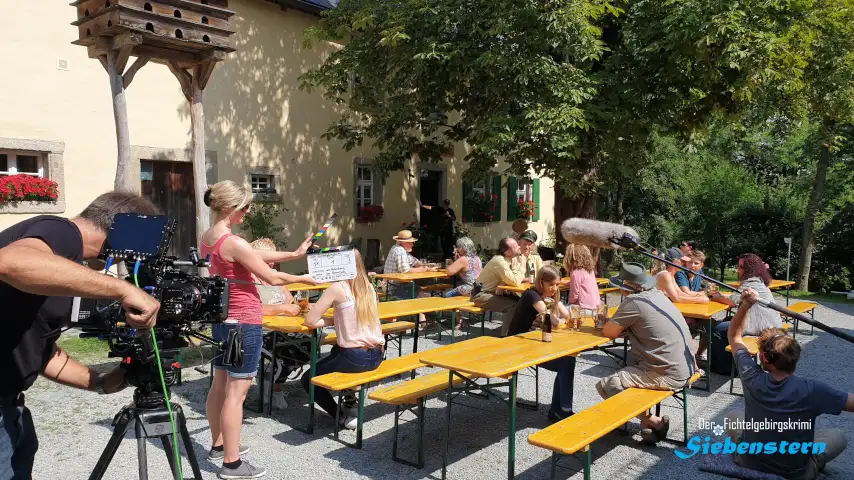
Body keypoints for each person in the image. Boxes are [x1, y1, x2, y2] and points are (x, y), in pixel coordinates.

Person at [0, 192, 162, 479]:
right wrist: (124, 289)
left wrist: (99, 383)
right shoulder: (61, 232)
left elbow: (41, 348)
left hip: (10, 405)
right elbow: (10, 262)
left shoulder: (59, 262)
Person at [201, 180, 318, 479]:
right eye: (245, 206)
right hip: (244, 321)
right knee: (236, 394)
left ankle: (218, 444)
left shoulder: (210, 237)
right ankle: (231, 463)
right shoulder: (235, 242)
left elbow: (254, 257)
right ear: (229, 207)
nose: (248, 211)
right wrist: (304, 278)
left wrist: (293, 254)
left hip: (223, 320)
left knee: (220, 384)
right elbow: (271, 278)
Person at [724, 287, 852, 479]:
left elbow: (734, 335)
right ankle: (815, 465)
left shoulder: (751, 376)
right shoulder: (813, 390)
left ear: (764, 358)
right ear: (795, 358)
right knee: (838, 436)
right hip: (796, 473)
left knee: (732, 416)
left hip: (748, 462)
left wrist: (746, 305)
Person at [598, 262, 696, 444]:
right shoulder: (658, 295)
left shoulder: (634, 302)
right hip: (688, 367)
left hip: (668, 374)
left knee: (606, 384)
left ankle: (652, 422)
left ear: (625, 288)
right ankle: (649, 430)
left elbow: (609, 332)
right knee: (633, 366)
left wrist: (606, 321)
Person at [302, 249, 384, 430]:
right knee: (336, 351)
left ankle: (340, 416)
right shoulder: (368, 286)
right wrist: (339, 319)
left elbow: (310, 320)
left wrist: (333, 320)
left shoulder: (337, 287)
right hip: (377, 354)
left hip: (355, 357)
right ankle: (350, 399)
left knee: (309, 378)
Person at [506, 266, 577, 421]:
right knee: (566, 362)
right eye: (551, 284)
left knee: (569, 359)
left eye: (558, 284)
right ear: (541, 282)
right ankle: (561, 410)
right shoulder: (532, 295)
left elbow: (567, 315)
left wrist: (568, 313)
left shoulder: (549, 296)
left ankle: (560, 409)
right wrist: (563, 318)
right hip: (515, 346)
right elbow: (553, 321)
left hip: (532, 343)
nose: (554, 288)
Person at [250, 238, 303, 411]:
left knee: (308, 344)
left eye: (273, 257)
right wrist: (281, 308)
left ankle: (271, 380)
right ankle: (274, 388)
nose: (272, 262)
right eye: (268, 258)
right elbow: (254, 308)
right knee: (289, 349)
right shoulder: (249, 280)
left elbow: (289, 299)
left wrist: (292, 306)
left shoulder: (274, 277)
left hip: (284, 327)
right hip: (261, 331)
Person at [709, 253, 781, 375]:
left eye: (740, 267)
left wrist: (716, 297)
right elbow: (736, 298)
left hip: (762, 329)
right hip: (770, 325)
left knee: (717, 329)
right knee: (728, 318)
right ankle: (731, 361)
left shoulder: (751, 283)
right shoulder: (759, 281)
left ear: (748, 269)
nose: (738, 270)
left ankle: (725, 368)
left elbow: (732, 302)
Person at [471, 237, 527, 336]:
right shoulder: (499, 261)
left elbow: (511, 278)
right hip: (480, 295)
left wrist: (502, 283)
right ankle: (506, 336)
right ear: (508, 252)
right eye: (515, 246)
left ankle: (520, 330)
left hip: (491, 292)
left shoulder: (509, 259)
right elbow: (514, 281)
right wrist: (522, 266)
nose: (519, 247)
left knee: (521, 300)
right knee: (513, 305)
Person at [382, 230, 438, 300]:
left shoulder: (401, 249)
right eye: (410, 243)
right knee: (422, 296)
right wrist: (424, 269)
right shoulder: (399, 250)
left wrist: (429, 267)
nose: (412, 244)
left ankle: (423, 309)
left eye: (412, 242)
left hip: (399, 285)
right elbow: (405, 271)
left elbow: (415, 262)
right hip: (393, 288)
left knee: (421, 292)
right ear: (402, 242)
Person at [564, 244, 602, 313]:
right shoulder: (590, 271)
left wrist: (570, 301)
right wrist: (569, 283)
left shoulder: (575, 273)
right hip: (596, 307)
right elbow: (583, 283)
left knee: (558, 309)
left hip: (584, 309)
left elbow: (574, 297)